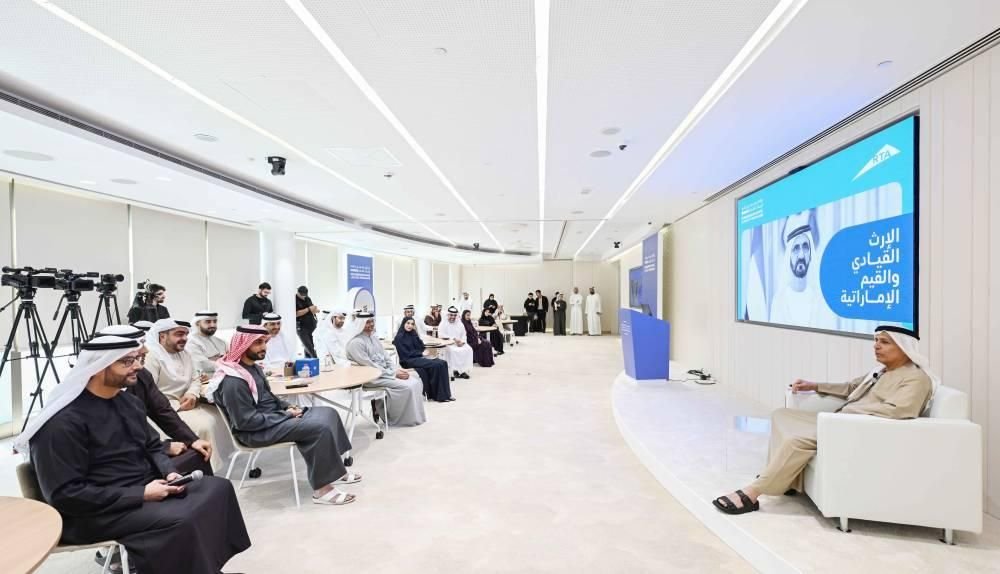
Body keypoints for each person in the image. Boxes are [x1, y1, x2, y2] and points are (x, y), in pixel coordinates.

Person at [16, 336, 250, 574]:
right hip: (91, 512)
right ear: (98, 367)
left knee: (218, 489)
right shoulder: (60, 424)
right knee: (182, 519)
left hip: (140, 487)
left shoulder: (127, 402)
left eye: (137, 359)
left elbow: (152, 446)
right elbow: (66, 495)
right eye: (127, 361)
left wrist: (169, 473)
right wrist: (141, 494)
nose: (138, 366)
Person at [712, 325, 935, 515]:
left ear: (904, 348)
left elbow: (900, 410)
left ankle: (752, 494)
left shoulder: (916, 378)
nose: (876, 346)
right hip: (839, 421)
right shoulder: (882, 371)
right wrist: (814, 386)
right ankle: (784, 479)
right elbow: (851, 388)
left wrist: (851, 414)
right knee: (782, 414)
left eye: (884, 342)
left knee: (796, 441)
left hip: (858, 429)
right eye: (876, 341)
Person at [209, 326, 360, 506]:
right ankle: (322, 490)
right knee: (318, 428)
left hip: (272, 418)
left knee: (329, 413)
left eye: (265, 342)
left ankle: (336, 471)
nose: (263, 347)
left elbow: (269, 398)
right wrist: (286, 415)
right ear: (243, 344)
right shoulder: (233, 381)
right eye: (258, 343)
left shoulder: (253, 368)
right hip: (254, 432)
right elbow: (245, 422)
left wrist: (288, 407)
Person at [95, 325, 215, 477]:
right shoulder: (90, 396)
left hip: (144, 451)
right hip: (115, 468)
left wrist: (192, 440)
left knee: (197, 455)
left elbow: (162, 410)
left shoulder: (141, 376)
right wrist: (164, 447)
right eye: (137, 347)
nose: (145, 350)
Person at [145, 318, 229, 470]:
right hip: (166, 409)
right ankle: (205, 468)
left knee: (222, 415)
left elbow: (195, 379)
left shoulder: (185, 354)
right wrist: (178, 406)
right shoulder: (151, 357)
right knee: (205, 425)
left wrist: (192, 394)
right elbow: (149, 393)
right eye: (179, 334)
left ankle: (220, 462)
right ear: (162, 336)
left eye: (185, 334)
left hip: (190, 402)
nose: (184, 338)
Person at [345, 313, 427, 427]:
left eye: (372, 321)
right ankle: (388, 414)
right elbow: (369, 365)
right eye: (367, 322)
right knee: (406, 387)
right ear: (360, 324)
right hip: (371, 377)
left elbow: (386, 357)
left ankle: (413, 417)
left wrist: (395, 370)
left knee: (415, 381)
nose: (371, 324)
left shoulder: (374, 338)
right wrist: (393, 374)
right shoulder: (356, 343)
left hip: (384, 373)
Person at [769, 209, 836, 329]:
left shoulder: (820, 302)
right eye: (795, 248)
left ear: (810, 254)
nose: (801, 255)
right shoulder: (778, 302)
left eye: (805, 247)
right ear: (788, 255)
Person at [392, 317, 454, 402]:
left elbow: (421, 346)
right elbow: (405, 354)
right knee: (437, 364)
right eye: (408, 323)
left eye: (412, 324)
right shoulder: (399, 337)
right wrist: (420, 354)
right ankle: (440, 396)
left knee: (443, 363)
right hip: (408, 361)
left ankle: (446, 395)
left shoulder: (413, 334)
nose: (410, 325)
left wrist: (422, 349)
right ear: (403, 324)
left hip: (418, 358)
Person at [186, 311, 227, 376]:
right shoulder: (190, 341)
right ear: (197, 323)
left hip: (224, 375)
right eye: (208, 322)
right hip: (205, 379)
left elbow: (230, 357)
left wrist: (212, 359)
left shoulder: (220, 341)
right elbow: (203, 364)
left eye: (215, 321)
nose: (213, 325)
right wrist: (224, 362)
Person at [438, 306, 474, 379]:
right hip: (448, 344)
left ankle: (463, 371)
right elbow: (441, 335)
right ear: (448, 315)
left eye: (454, 315)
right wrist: (453, 339)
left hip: (460, 343)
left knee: (468, 349)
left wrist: (463, 342)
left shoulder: (460, 324)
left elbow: (464, 334)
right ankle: (453, 371)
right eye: (451, 315)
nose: (453, 317)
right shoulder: (443, 323)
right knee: (453, 351)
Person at [294, 286, 319, 358]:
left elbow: (312, 309)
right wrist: (308, 309)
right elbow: (296, 313)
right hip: (301, 327)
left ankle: (308, 361)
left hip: (311, 325)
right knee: (309, 347)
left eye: (305, 295)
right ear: (298, 292)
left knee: (311, 346)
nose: (303, 297)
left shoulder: (308, 298)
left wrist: (315, 309)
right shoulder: (294, 300)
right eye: (302, 295)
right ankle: (316, 360)